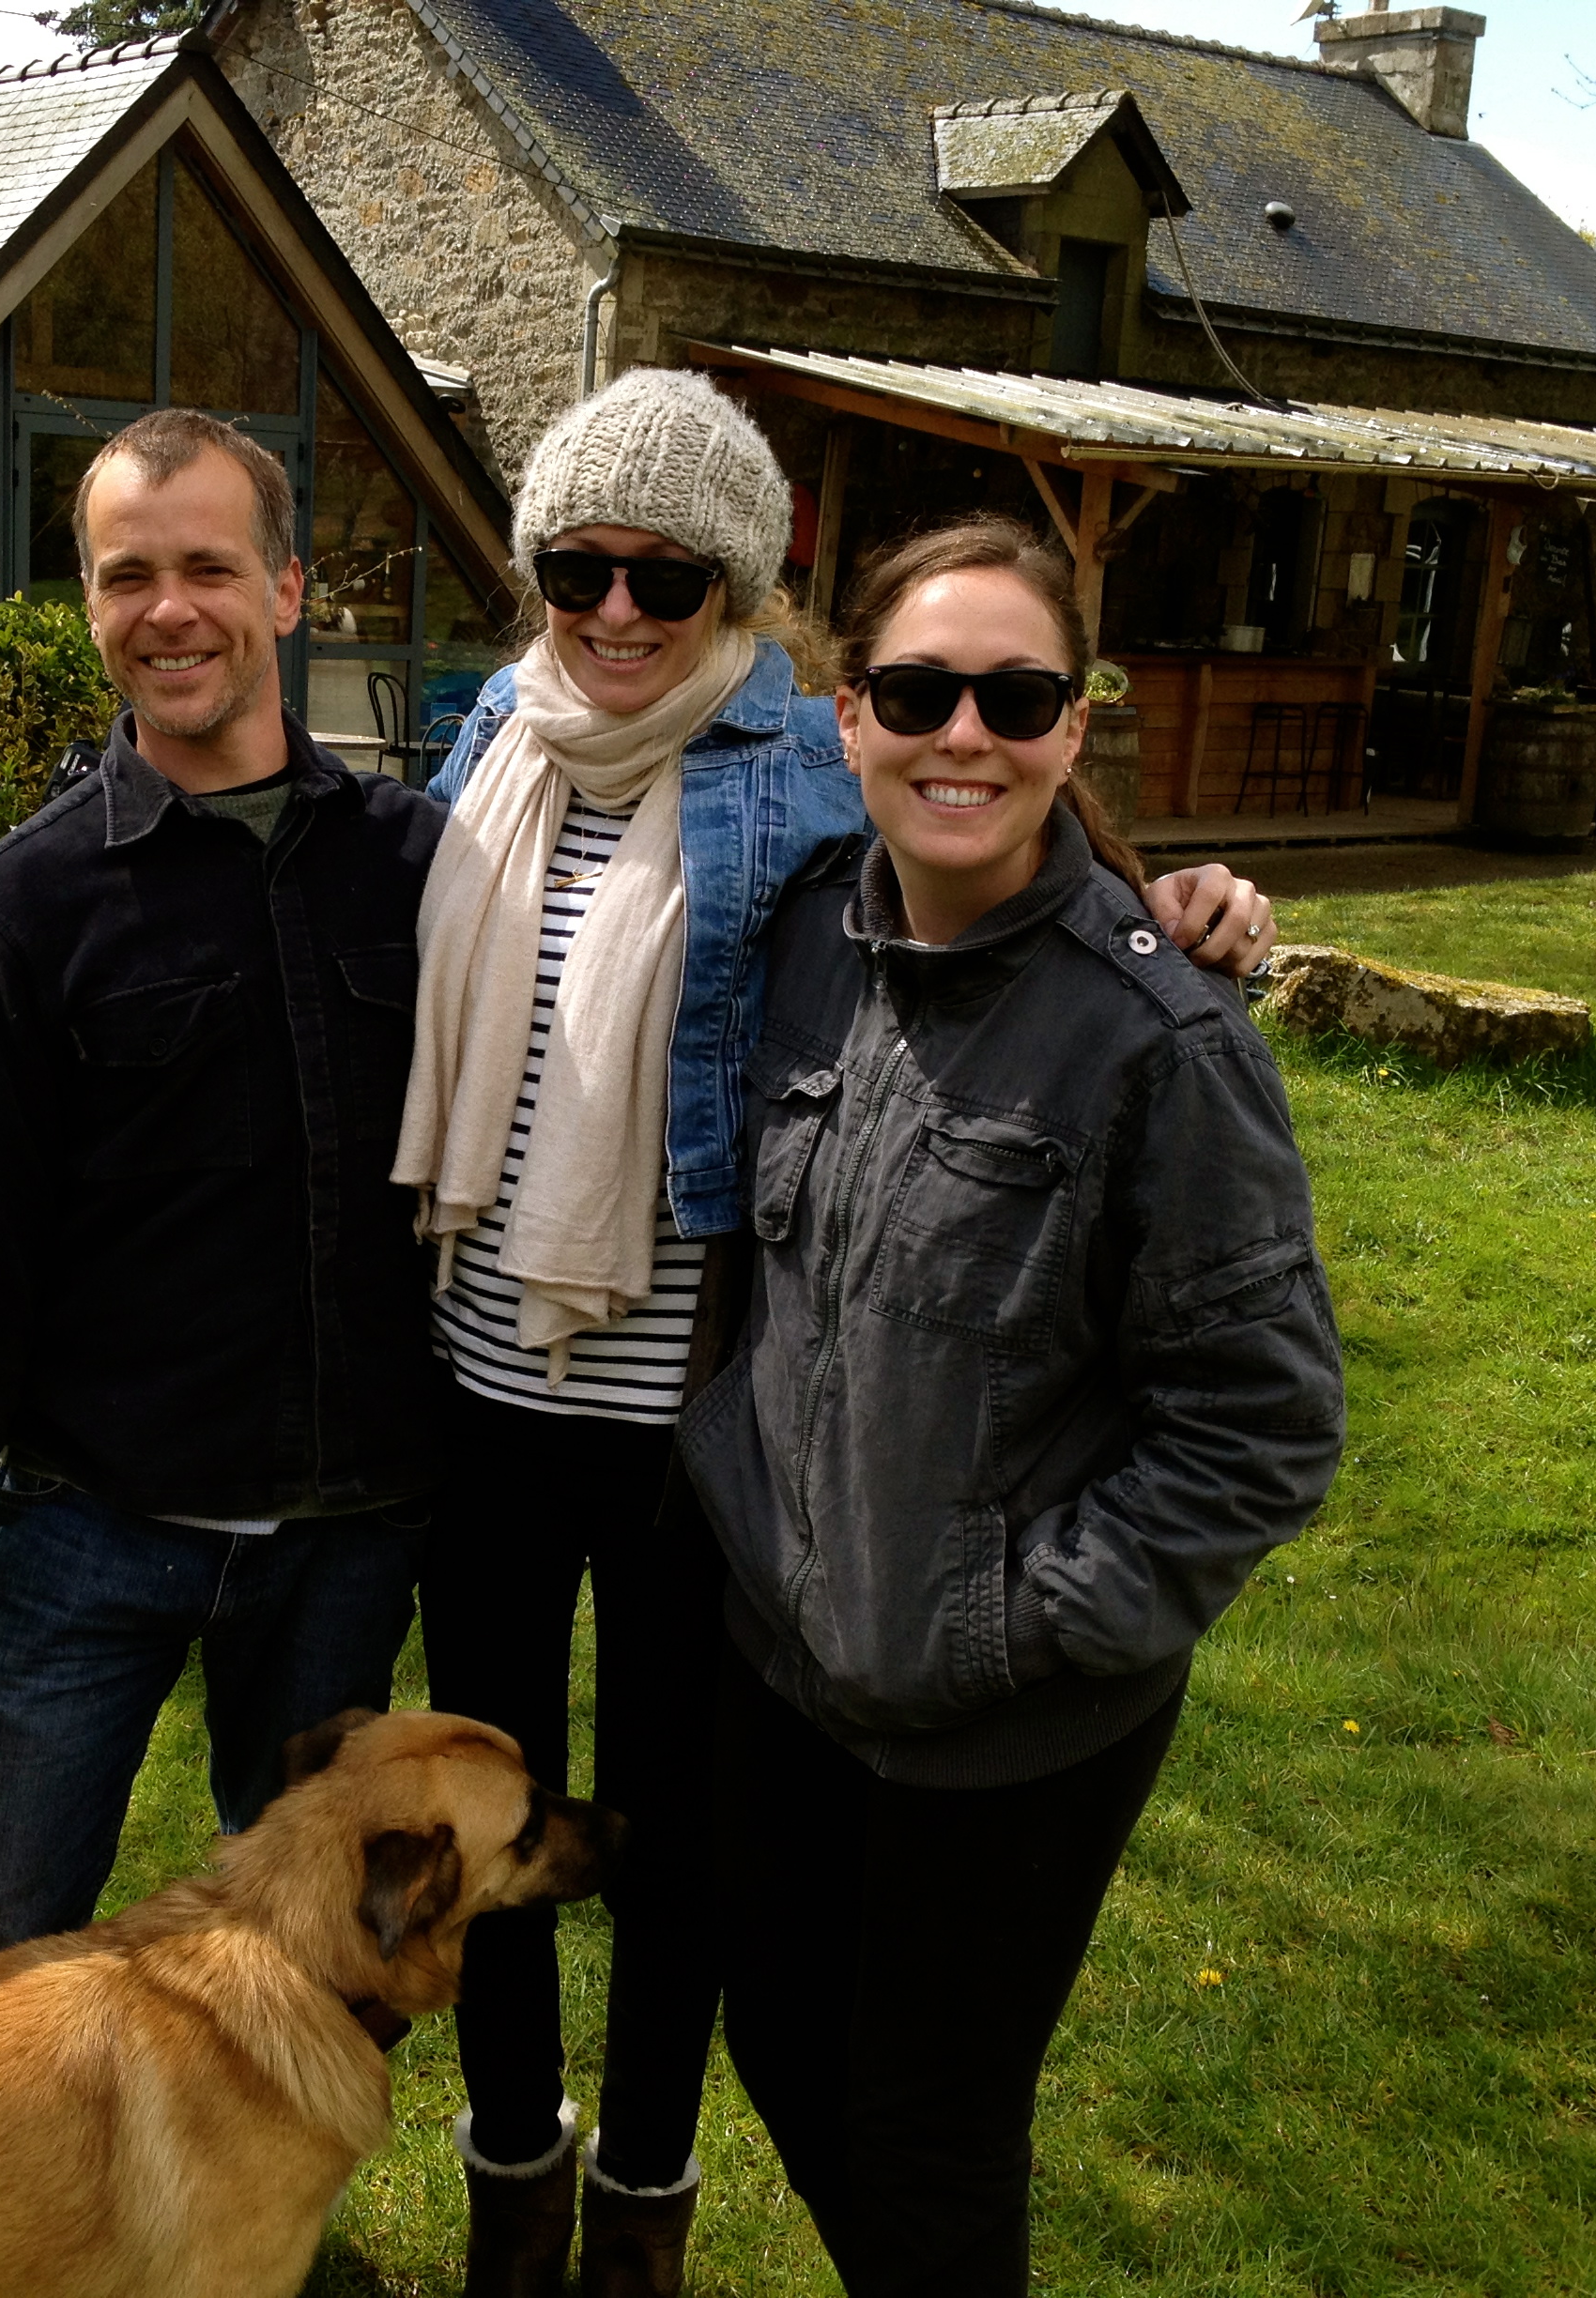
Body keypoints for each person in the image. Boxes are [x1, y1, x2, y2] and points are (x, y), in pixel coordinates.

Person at [401, 373, 1281, 2298]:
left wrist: (1177, 911)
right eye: (577, 568)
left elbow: (984, 833)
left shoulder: (808, 764)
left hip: (691, 1427)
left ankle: (640, 2211)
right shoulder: (490, 737)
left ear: (740, 589)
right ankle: (511, 2171)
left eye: (667, 575)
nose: (617, 610)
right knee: (487, 1822)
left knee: (675, 1855)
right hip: (480, 1394)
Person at [679, 513, 1348, 2297]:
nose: (961, 733)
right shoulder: (809, 938)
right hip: (787, 1670)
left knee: (927, 2134)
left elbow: (1263, 1426)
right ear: (847, 715)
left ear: (1072, 725)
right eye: (916, 692)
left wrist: (1020, 1618)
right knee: (784, 2047)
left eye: (1015, 697)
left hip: (1006, 1734)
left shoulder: (1162, 1045)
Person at [0, 408, 442, 1964]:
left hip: (346, 1536)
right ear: (89, 601)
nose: (169, 610)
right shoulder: (25, 907)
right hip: (93, 1523)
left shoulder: (420, 867)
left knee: (312, 1973)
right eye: (126, 574)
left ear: (287, 589)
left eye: (208, 567)